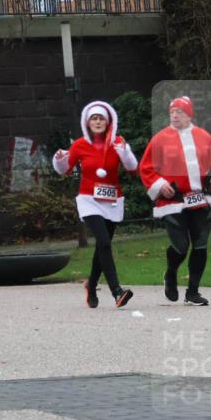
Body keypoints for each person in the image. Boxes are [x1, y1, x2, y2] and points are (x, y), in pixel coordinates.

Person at [139, 96, 211, 306]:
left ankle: (193, 292)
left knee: (200, 245)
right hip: (173, 201)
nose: (175, 115)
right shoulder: (160, 139)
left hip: (199, 199)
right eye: (172, 112)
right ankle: (170, 274)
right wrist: (160, 185)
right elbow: (146, 167)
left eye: (179, 111)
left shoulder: (204, 136)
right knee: (180, 246)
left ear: (189, 114)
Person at [53, 100, 137, 308]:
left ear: (108, 122)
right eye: (94, 118)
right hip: (89, 200)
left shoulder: (117, 142)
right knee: (105, 241)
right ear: (87, 122)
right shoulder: (80, 144)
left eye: (101, 118)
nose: (98, 121)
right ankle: (117, 291)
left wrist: (125, 152)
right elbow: (64, 169)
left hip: (112, 200)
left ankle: (90, 286)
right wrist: (59, 158)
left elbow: (132, 168)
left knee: (102, 244)